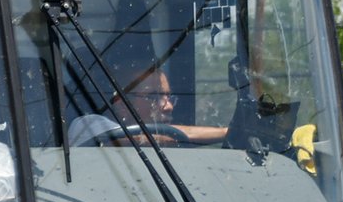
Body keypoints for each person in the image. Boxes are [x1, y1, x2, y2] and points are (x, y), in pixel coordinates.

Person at [67, 63, 230, 149]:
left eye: (168, 96)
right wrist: (226, 133)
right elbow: (143, 139)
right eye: (153, 96)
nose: (168, 107)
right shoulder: (88, 125)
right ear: (121, 103)